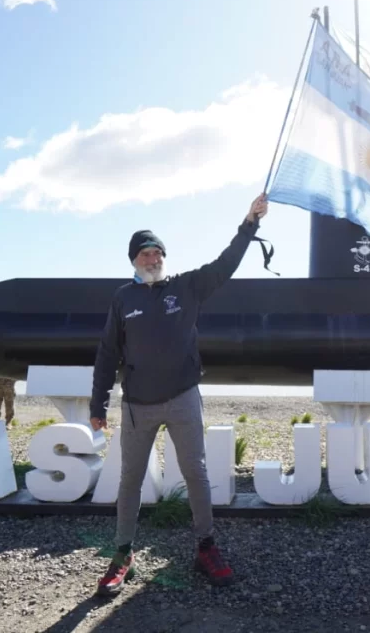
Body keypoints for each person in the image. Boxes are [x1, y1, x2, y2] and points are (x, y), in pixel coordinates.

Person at [89, 193, 269, 597]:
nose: (151, 260)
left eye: (156, 253)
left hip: (183, 398)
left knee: (196, 475)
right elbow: (107, 353)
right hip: (137, 406)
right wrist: (98, 403)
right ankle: (122, 556)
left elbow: (226, 265)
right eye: (143, 255)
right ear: (133, 262)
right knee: (130, 481)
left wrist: (249, 224)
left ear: (163, 256)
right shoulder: (123, 299)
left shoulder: (187, 286)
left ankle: (205, 547)